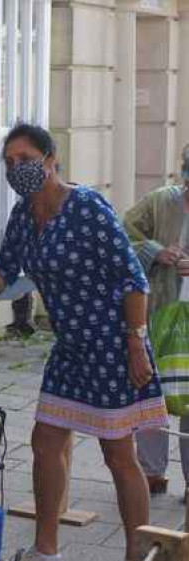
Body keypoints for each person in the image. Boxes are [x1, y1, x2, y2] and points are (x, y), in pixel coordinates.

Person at [0, 123, 167, 561]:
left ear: (52, 160)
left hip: (113, 345)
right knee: (45, 441)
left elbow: (132, 277)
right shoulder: (23, 214)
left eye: (26, 158)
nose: (17, 169)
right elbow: (4, 271)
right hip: (70, 348)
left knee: (119, 455)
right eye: (9, 162)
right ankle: (46, 553)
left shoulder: (88, 207)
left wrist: (136, 343)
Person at [124, 145, 189, 496]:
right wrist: (154, 251)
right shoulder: (160, 202)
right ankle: (151, 472)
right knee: (151, 389)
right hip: (156, 312)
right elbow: (123, 236)